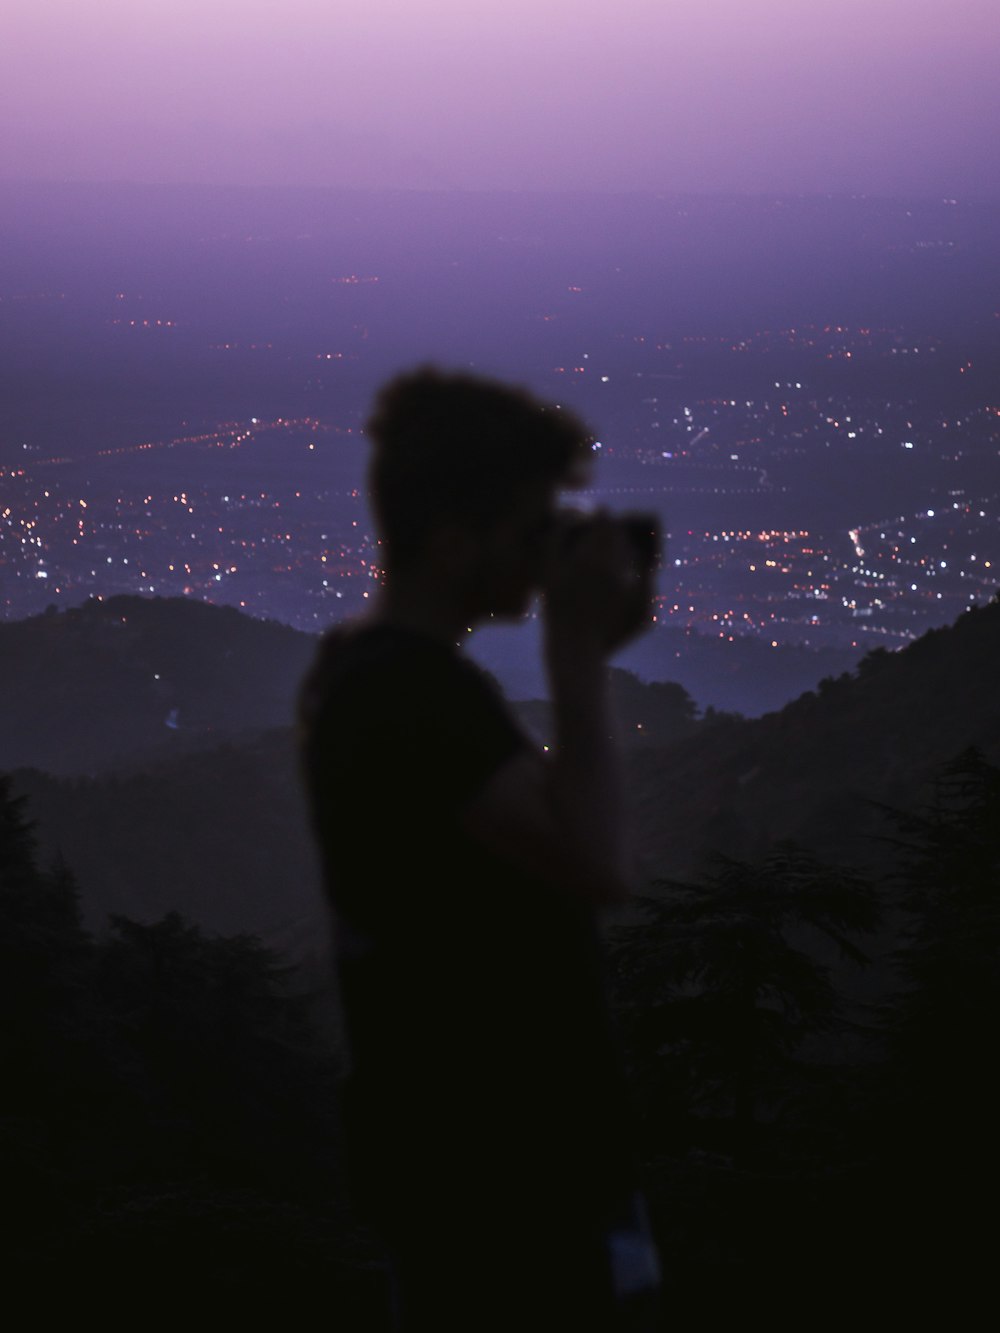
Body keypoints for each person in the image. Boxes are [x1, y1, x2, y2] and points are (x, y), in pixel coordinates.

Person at [299, 367, 660, 1329]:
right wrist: (578, 652)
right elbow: (598, 863)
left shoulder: (372, 680)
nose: (546, 557)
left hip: (465, 1166)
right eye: (531, 530)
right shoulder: (407, 699)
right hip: (505, 1181)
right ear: (455, 540)